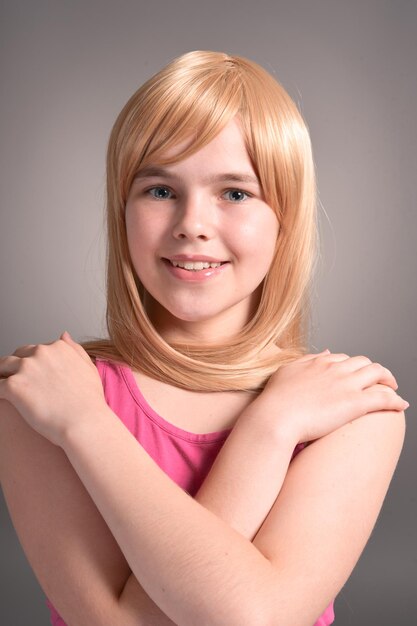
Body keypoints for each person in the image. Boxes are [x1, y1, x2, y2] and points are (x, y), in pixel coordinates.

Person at [0, 50, 407, 626]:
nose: (192, 222)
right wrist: (79, 417)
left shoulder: (354, 408)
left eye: (235, 193)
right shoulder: (41, 398)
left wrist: (270, 425)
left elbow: (253, 617)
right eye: (160, 190)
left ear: (283, 219)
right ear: (122, 210)